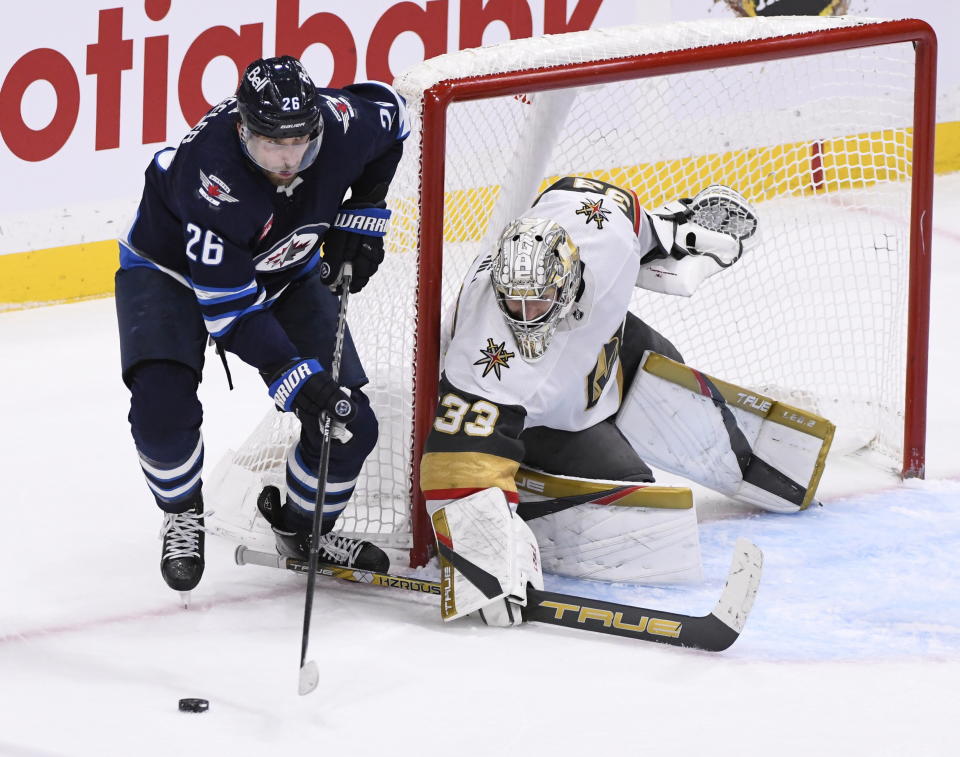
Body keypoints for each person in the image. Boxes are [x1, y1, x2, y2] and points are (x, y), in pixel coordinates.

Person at [115, 55, 408, 597]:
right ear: (242, 129)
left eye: (301, 142)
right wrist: (294, 376)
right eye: (273, 144)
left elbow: (395, 115)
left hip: (284, 268)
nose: (289, 159)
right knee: (160, 411)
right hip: (170, 272)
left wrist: (363, 211)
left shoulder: (342, 122)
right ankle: (182, 512)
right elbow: (228, 312)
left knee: (350, 421)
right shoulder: (213, 178)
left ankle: (302, 530)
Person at [420, 175, 759, 626]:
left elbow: (637, 223)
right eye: (512, 304)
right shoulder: (486, 361)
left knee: (671, 373)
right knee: (631, 492)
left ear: (567, 278)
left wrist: (682, 235)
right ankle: (527, 479)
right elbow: (454, 465)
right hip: (542, 419)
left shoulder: (603, 231)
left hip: (603, 350)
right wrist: (484, 566)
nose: (523, 319)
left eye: (537, 304)